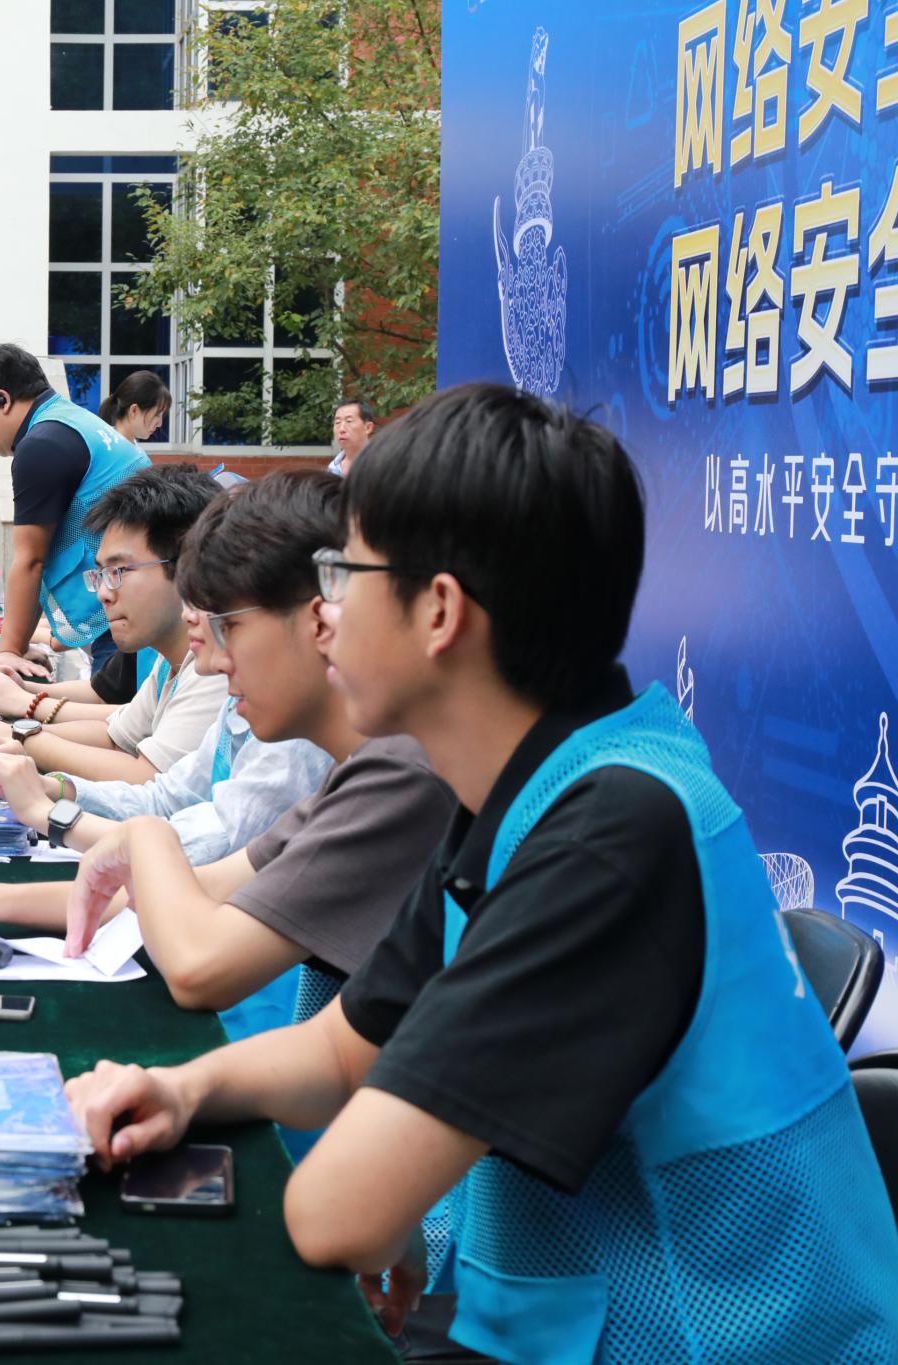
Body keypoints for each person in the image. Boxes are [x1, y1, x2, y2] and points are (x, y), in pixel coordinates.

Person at [64, 385, 898, 1362]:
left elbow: (337, 1216)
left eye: (342, 576)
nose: (323, 617)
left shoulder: (607, 834)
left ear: (439, 612)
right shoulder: (530, 784)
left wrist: (369, 1194)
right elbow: (341, 1051)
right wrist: (180, 1089)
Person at [0, 471, 453, 1040]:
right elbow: (195, 871)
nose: (209, 654)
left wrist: (87, 818)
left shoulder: (395, 775)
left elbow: (200, 953)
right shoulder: (364, 767)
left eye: (225, 623)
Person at [0, 465, 230, 784]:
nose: (103, 593)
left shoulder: (217, 666)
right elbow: (114, 736)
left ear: (188, 566)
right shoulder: (170, 662)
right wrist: (12, 732)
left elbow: (148, 777)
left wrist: (20, 737)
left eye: (118, 571)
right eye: (101, 574)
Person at [0, 343, 150, 676]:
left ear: (2, 400)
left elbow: (30, 560)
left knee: (115, 709)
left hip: (129, 614)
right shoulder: (70, 422)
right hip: (142, 603)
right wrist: (17, 645)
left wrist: (8, 651)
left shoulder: (42, 445)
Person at [99, 369, 172, 442]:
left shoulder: (112, 442)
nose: (159, 424)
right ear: (134, 410)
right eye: (157, 414)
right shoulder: (109, 445)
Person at [327, 395, 375, 475]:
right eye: (337, 422)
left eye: (349, 421)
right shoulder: (332, 469)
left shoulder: (384, 463)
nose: (341, 429)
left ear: (368, 428)